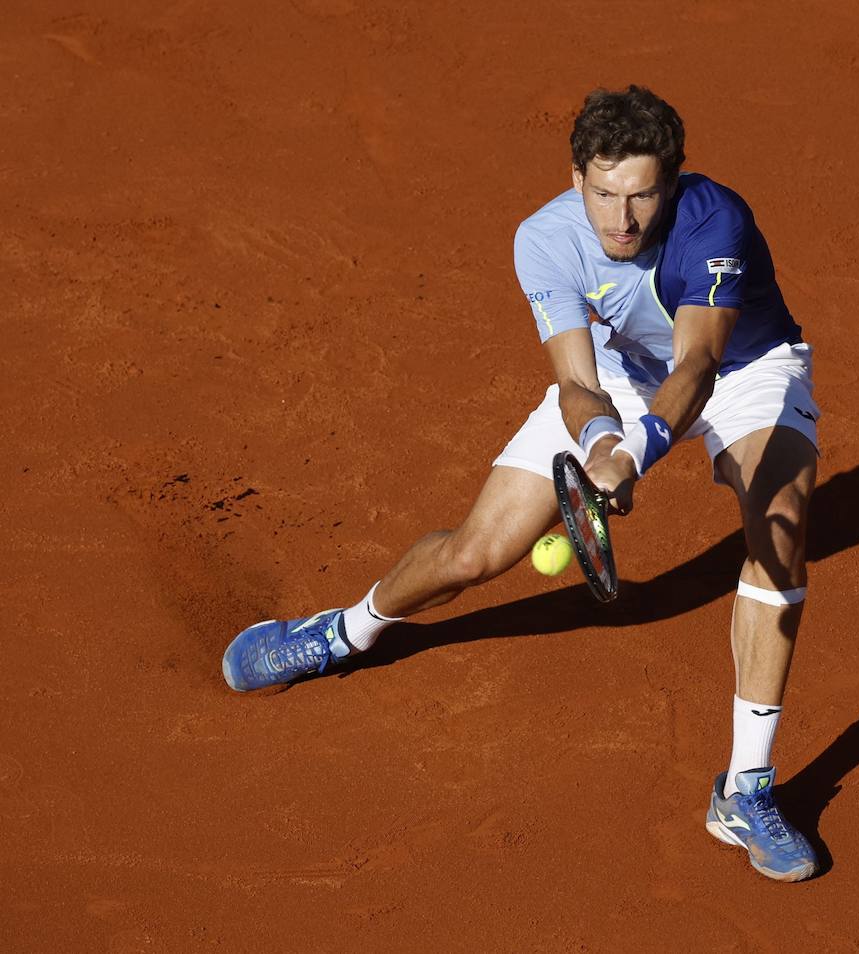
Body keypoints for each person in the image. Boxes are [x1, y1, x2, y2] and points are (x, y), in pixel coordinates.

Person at [221, 86, 821, 882]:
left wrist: (633, 455)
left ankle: (744, 790)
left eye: (643, 193)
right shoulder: (543, 239)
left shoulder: (716, 223)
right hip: (615, 381)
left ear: (672, 183)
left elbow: (698, 366)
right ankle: (346, 630)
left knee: (778, 528)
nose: (622, 219)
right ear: (577, 179)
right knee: (477, 553)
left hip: (745, 372)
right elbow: (576, 380)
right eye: (603, 193)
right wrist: (604, 438)